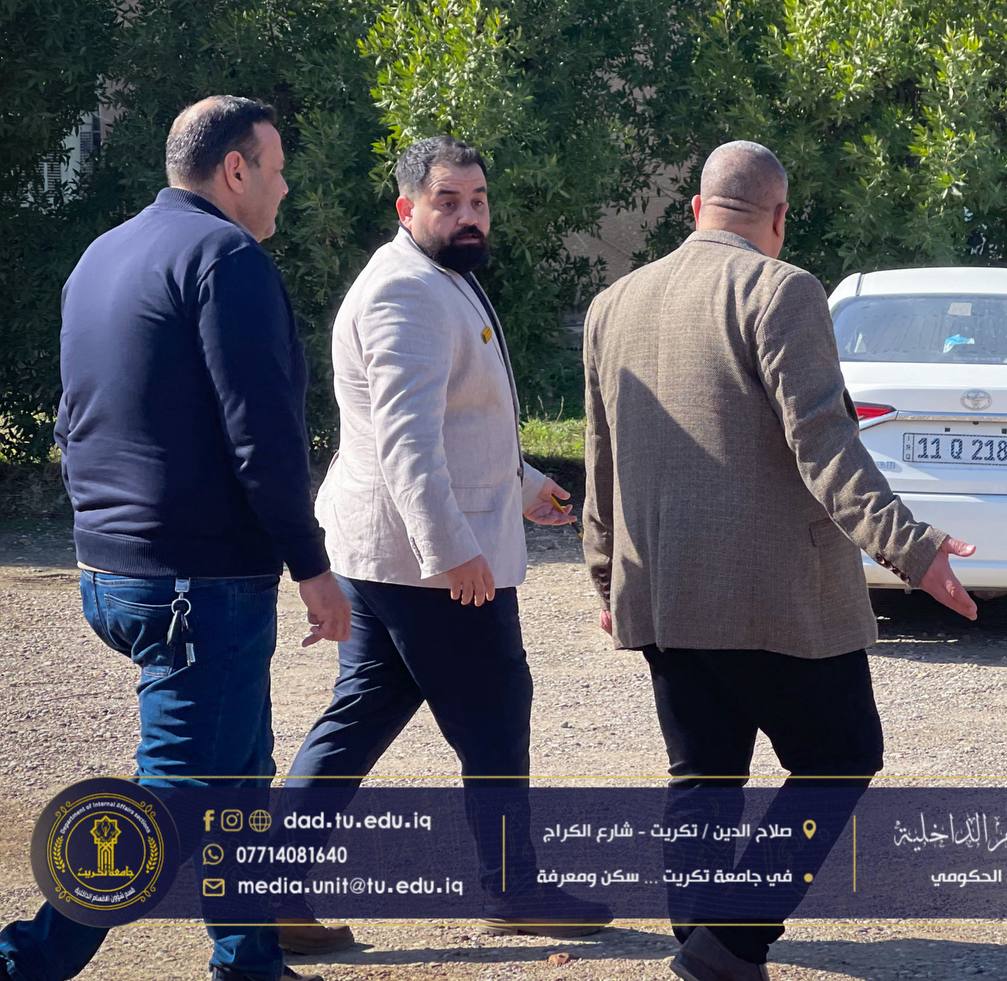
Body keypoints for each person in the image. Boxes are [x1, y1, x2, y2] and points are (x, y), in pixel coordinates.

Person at [581, 140, 979, 981]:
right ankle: (730, 941)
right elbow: (824, 445)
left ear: (697, 208)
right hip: (775, 599)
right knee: (841, 755)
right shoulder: (782, 290)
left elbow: (600, 456)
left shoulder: (613, 303)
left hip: (661, 588)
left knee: (702, 773)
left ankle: (705, 945)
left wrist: (606, 573)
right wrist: (914, 548)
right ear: (779, 217)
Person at [0, 96, 351, 981]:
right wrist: (312, 565)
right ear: (235, 169)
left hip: (114, 570)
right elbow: (263, 438)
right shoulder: (226, 258)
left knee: (238, 773)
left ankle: (250, 958)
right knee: (177, 799)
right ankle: (25, 959)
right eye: (276, 170)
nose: (283, 188)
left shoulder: (103, 254)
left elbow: (74, 418)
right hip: (199, 583)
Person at [280, 135, 608, 950]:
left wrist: (523, 485)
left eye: (478, 201)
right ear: (407, 208)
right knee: (495, 716)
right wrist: (452, 550)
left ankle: (270, 888)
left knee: (361, 713)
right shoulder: (407, 292)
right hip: (424, 564)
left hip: (388, 555)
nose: (469, 216)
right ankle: (512, 890)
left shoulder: (438, 276)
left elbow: (458, 422)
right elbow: (407, 443)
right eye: (448, 201)